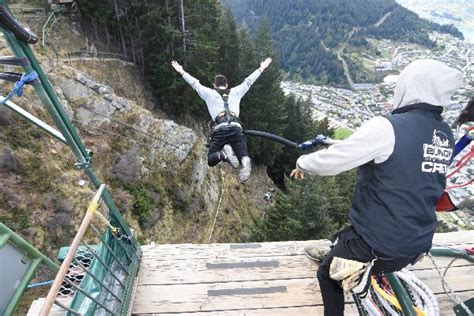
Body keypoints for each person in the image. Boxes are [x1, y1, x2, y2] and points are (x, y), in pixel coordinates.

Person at [290, 59, 462, 316]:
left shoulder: (388, 128)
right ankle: (341, 250)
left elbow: (332, 161)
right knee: (345, 237)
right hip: (418, 243)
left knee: (328, 274)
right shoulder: (444, 134)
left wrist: (303, 162)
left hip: (379, 245)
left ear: (409, 88)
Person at [171, 58, 272, 182]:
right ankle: (245, 160)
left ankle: (223, 154)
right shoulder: (236, 91)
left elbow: (195, 84)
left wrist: (181, 71)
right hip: (236, 128)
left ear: (214, 86)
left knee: (211, 160)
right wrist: (261, 68)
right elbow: (248, 81)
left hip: (220, 129)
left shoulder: (209, 93)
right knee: (242, 153)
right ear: (227, 85)